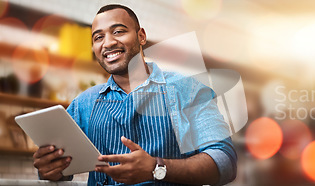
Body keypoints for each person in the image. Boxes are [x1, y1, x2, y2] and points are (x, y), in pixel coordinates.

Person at [32, 4, 237, 185]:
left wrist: (156, 168)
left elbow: (224, 161)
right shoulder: (84, 104)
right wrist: (51, 169)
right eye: (98, 37)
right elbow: (61, 171)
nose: (108, 43)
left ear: (141, 36)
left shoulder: (188, 90)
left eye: (119, 31)